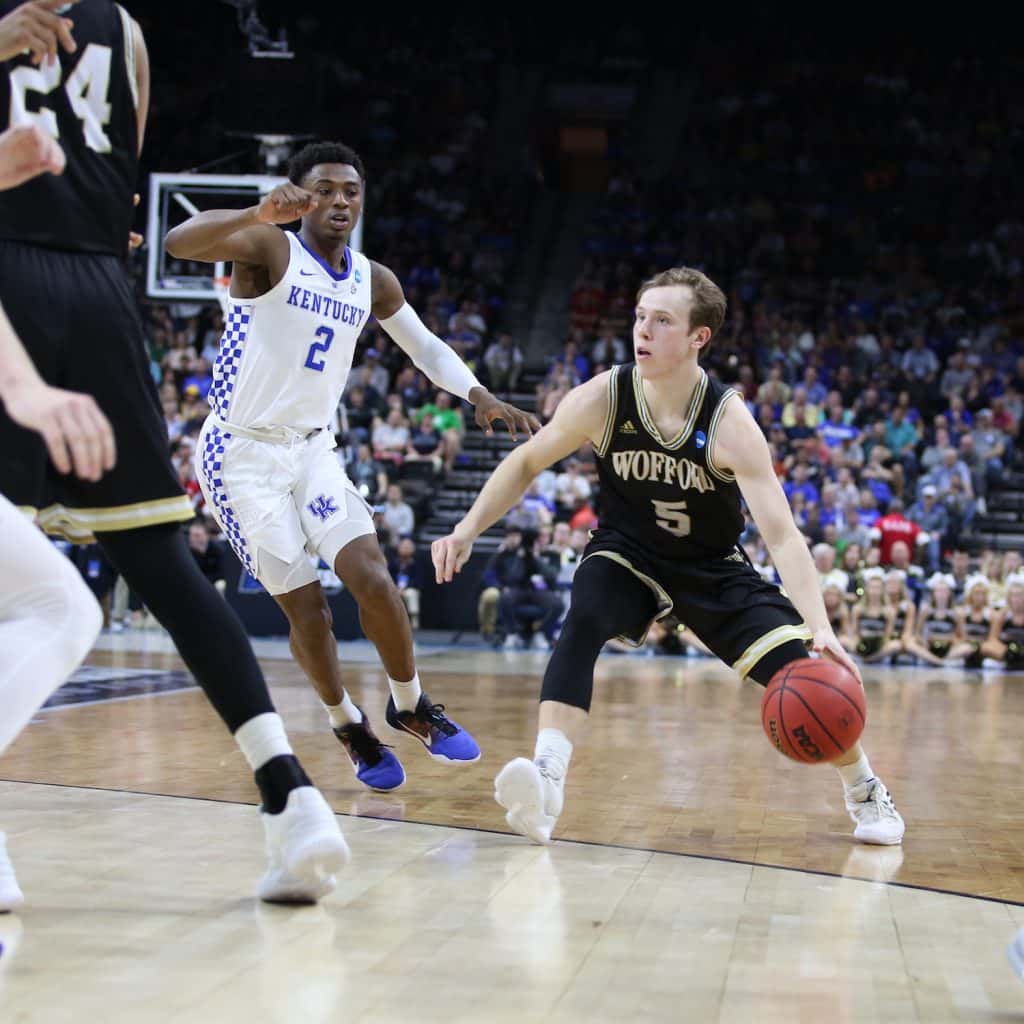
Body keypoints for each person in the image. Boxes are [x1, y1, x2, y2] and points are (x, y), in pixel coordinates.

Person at [0, 0, 348, 905]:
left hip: (11, 278)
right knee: (162, 563)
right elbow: (118, 183)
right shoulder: (125, 29)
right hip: (100, 293)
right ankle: (292, 796)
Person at [432, 266, 904, 846]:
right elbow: (527, 461)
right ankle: (547, 781)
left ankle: (866, 791)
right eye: (640, 317)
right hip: (627, 552)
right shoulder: (605, 396)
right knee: (585, 614)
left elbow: (782, 536)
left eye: (662, 320)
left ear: (699, 336)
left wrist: (821, 626)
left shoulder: (729, 422)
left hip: (711, 566)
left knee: (801, 674)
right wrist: (466, 529)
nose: (643, 330)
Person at [164, 140, 540, 793]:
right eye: (325, 190)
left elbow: (426, 348)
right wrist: (258, 211)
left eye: (350, 191)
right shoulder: (270, 248)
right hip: (241, 455)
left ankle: (411, 705)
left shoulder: (373, 279)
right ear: (300, 198)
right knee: (309, 611)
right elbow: (177, 242)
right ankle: (347, 724)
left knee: (373, 576)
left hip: (312, 448)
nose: (340, 201)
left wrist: (477, 394)